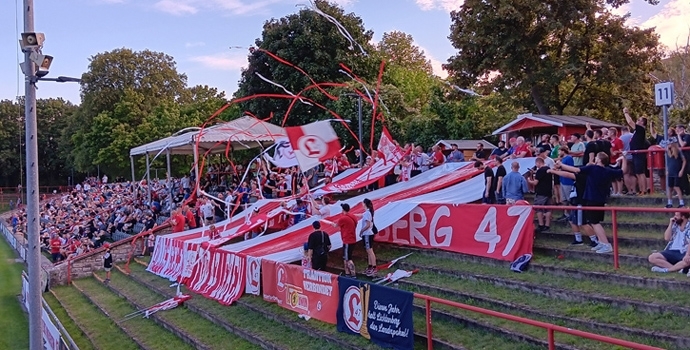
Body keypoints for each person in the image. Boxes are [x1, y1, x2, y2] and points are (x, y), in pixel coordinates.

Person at [556, 152, 627, 253]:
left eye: (597, 157)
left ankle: (606, 244)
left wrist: (561, 165)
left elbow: (576, 170)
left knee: (595, 223)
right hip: (600, 199)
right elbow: (623, 171)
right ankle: (602, 243)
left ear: (599, 160)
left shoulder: (592, 168)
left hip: (592, 198)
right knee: (594, 222)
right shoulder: (608, 170)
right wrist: (624, 158)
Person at [623, 107, 648, 195]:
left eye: (639, 120)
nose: (637, 121)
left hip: (639, 154)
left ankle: (644, 190)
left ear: (642, 122)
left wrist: (626, 113)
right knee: (637, 173)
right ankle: (641, 190)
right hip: (635, 154)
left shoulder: (641, 129)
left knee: (640, 173)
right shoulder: (637, 131)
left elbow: (630, 122)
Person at [528, 157, 553, 232]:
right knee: (548, 209)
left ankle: (541, 225)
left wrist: (529, 181)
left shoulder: (540, 171)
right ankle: (547, 225)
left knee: (539, 209)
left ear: (538, 162)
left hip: (541, 192)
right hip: (549, 192)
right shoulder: (548, 169)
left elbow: (535, 183)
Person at [333, 203, 358, 278]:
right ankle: (347, 273)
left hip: (347, 240)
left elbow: (336, 225)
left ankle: (353, 274)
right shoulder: (353, 216)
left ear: (343, 210)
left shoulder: (343, 218)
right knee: (345, 257)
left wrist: (332, 224)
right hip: (352, 239)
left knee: (348, 258)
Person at [360, 198, 378, 277]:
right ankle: (370, 266)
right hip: (367, 234)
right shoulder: (367, 213)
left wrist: (361, 231)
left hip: (367, 234)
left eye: (363, 203)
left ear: (365, 204)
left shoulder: (367, 213)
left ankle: (374, 267)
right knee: (368, 251)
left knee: (370, 251)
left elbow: (367, 225)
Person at [666, 142, 686, 208]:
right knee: (670, 188)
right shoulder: (668, 152)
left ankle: (681, 203)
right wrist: (667, 170)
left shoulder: (678, 151)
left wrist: (681, 170)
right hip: (671, 172)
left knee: (676, 187)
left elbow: (684, 161)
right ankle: (669, 203)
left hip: (676, 172)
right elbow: (668, 163)